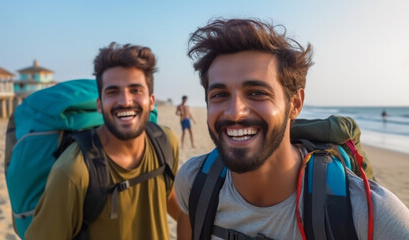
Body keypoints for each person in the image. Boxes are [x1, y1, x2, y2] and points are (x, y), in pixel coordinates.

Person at [175, 18, 409, 239]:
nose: (235, 112)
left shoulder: (369, 214)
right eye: (220, 95)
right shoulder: (195, 182)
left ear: (295, 104)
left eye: (257, 93)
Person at [25, 42, 180, 239]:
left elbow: (170, 199)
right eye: (112, 92)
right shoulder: (73, 171)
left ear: (151, 101)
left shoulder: (165, 142)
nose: (125, 101)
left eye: (135, 90)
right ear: (99, 104)